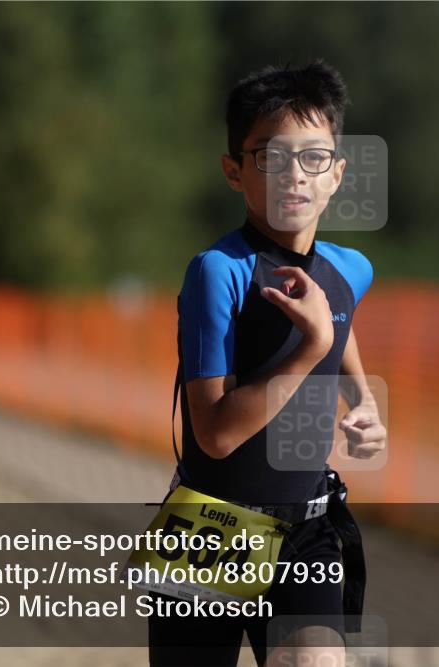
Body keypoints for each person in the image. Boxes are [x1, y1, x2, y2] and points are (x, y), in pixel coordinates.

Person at [148, 60, 387, 667]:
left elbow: (342, 323)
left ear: (337, 174)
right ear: (234, 171)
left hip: (309, 529)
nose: (294, 175)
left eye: (314, 157)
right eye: (270, 157)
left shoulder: (350, 269)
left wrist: (364, 402)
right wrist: (308, 350)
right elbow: (217, 434)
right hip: (212, 527)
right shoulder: (217, 271)